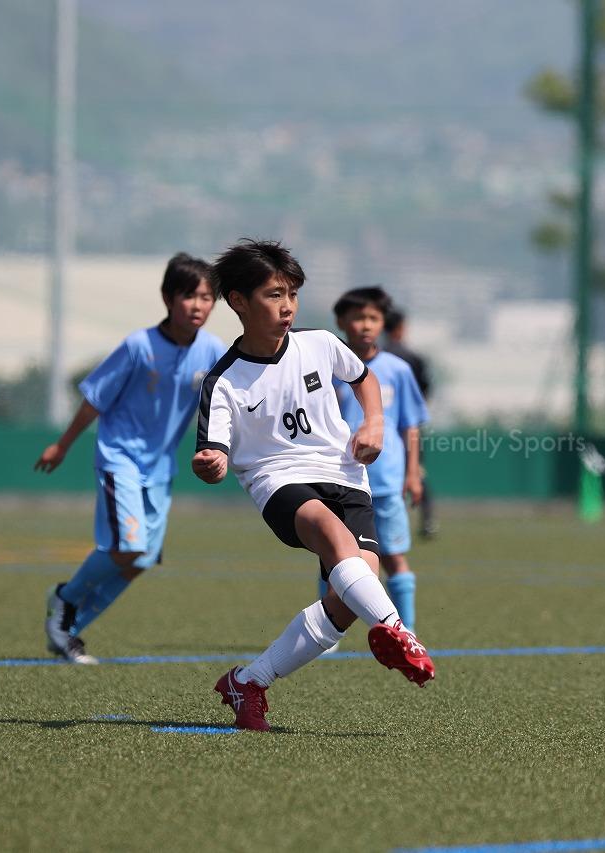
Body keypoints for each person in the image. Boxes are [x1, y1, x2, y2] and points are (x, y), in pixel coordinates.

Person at [194, 239, 434, 732]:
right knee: (333, 537)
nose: (288, 306)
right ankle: (397, 630)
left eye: (293, 294)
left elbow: (364, 378)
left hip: (346, 475)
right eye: (274, 295)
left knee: (346, 601)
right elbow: (212, 450)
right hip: (278, 480)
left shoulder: (320, 343)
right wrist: (211, 463)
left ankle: (248, 681)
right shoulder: (223, 381)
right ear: (238, 301)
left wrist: (373, 423)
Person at [35, 252, 227, 663]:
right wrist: (63, 444)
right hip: (120, 458)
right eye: (189, 295)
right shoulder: (139, 346)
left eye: (207, 297)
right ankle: (66, 599)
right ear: (168, 298)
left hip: (160, 467)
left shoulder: (213, 351)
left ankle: (68, 629)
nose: (198, 305)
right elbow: (95, 398)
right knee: (129, 545)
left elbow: (236, 397)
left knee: (140, 560)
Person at [332, 287, 429, 629]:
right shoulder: (329, 368)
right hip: (340, 480)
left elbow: (410, 425)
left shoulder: (397, 370)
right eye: (358, 317)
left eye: (373, 318)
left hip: (385, 482)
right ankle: (329, 632)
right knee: (335, 559)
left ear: (383, 323)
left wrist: (413, 473)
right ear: (341, 321)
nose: (365, 325)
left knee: (393, 557)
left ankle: (407, 631)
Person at [384, 307, 437, 538]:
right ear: (401, 328)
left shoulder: (377, 356)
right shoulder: (413, 358)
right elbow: (424, 391)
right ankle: (427, 522)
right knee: (416, 471)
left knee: (385, 473)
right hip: (408, 425)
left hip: (382, 425)